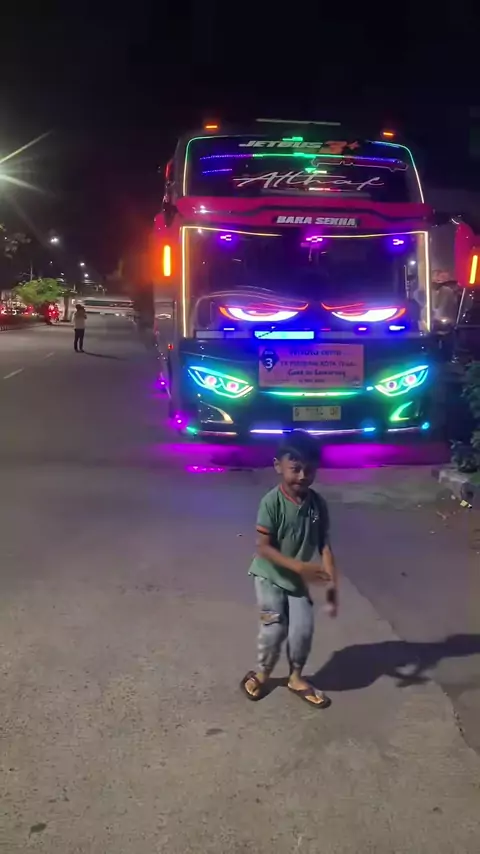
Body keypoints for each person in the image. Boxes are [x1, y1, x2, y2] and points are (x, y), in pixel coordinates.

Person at [241, 430, 339, 708]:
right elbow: (263, 547)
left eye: (309, 470)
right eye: (295, 469)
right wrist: (298, 566)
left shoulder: (317, 505)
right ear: (278, 466)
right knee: (274, 629)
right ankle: (262, 673)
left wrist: (332, 588)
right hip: (269, 576)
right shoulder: (271, 502)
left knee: (303, 630)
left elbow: (324, 546)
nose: (302, 476)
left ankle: (295, 677)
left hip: (296, 580)